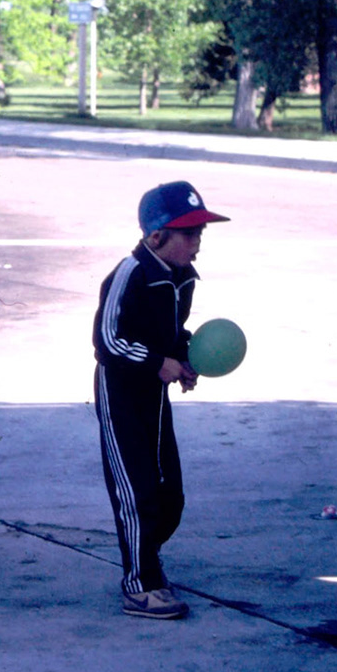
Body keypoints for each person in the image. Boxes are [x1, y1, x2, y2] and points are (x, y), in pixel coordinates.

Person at [92, 180, 229, 619]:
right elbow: (108, 340)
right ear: (156, 237)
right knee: (136, 491)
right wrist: (156, 362)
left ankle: (146, 555)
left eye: (200, 234)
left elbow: (172, 332)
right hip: (121, 391)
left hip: (154, 392)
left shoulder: (182, 278)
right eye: (188, 234)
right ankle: (140, 584)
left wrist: (183, 358)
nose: (197, 243)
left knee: (170, 495)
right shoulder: (130, 274)